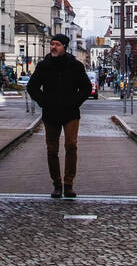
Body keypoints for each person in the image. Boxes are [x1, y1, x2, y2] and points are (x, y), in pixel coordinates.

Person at [26, 36, 93, 198]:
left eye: (57, 45)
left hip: (70, 113)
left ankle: (68, 184)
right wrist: (44, 102)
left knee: (71, 146)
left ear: (65, 47)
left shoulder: (75, 66)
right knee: (52, 149)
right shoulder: (44, 66)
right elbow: (32, 87)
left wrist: (75, 102)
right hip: (51, 113)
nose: (53, 47)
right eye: (52, 44)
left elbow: (86, 88)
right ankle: (57, 184)